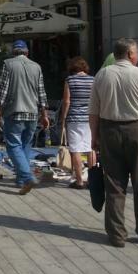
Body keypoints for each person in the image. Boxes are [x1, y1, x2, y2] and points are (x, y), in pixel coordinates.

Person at [89, 37, 138, 247]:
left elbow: (93, 113)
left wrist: (94, 137)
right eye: (137, 53)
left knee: (114, 184)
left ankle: (116, 234)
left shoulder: (102, 75)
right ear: (132, 54)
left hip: (109, 130)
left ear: (115, 55)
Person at [0, 40, 49, 195]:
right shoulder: (36, 67)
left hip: (14, 111)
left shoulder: (8, 64)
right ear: (27, 52)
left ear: (13, 52)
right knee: (25, 145)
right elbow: (41, 93)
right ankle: (21, 179)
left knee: (13, 146)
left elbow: (3, 90)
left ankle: (27, 176)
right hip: (32, 112)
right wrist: (44, 114)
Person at [60, 57, 97, 189]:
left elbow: (67, 101)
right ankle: (93, 180)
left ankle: (79, 180)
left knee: (75, 149)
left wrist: (63, 117)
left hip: (74, 118)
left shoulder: (70, 80)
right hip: (90, 118)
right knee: (90, 148)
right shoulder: (93, 80)